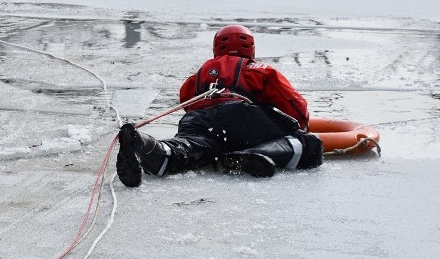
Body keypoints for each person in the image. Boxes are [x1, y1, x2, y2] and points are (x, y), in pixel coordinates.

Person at [116, 25, 323, 187]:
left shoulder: (198, 76)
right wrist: (296, 128)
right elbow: (297, 109)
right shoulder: (259, 70)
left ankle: (151, 147)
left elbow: (186, 100)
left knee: (186, 151)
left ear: (216, 48)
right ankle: (256, 155)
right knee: (309, 144)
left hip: (198, 122)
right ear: (251, 48)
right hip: (241, 118)